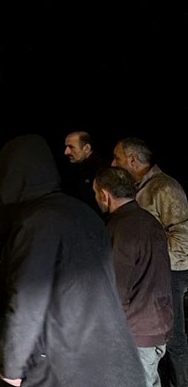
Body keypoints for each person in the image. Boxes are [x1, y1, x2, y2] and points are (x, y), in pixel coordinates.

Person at [0, 134, 143, 387]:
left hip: (69, 365)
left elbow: (28, 300)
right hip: (117, 355)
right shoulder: (82, 212)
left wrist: (13, 369)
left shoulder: (37, 222)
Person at [113, 136, 188, 386]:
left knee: (174, 339)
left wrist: (150, 253)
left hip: (171, 272)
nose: (114, 163)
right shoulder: (140, 187)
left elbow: (184, 238)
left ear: (132, 160)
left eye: (118, 158)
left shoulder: (164, 188)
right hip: (152, 271)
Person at [93, 165, 173, 387]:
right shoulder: (149, 221)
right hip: (157, 324)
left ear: (104, 195)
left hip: (135, 333)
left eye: (95, 193)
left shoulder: (121, 228)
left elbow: (116, 289)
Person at [63, 130, 106, 213]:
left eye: (71, 147)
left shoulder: (100, 170)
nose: (66, 152)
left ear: (86, 148)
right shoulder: (77, 167)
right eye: (66, 147)